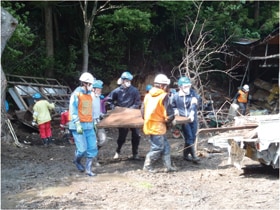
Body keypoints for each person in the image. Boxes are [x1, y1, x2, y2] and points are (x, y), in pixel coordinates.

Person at [141, 73, 177, 173]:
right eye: (166, 86)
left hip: (150, 125)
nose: (167, 88)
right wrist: (170, 122)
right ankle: (147, 166)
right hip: (158, 126)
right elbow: (169, 114)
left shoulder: (148, 96)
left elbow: (143, 111)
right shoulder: (164, 96)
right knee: (157, 148)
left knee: (165, 146)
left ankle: (168, 166)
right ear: (162, 85)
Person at [107, 71, 141, 160]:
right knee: (122, 136)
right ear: (122, 81)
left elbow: (137, 102)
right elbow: (109, 100)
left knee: (136, 135)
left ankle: (135, 153)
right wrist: (114, 107)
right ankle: (118, 151)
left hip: (133, 116)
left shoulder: (134, 90)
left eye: (129, 80)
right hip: (122, 117)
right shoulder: (116, 91)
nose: (127, 82)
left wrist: (130, 109)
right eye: (126, 80)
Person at [69, 72, 98, 177]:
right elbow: (73, 110)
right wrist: (77, 123)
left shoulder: (90, 95)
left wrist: (94, 122)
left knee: (92, 147)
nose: (92, 87)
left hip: (89, 124)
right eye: (91, 84)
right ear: (85, 84)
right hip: (78, 125)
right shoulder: (76, 94)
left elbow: (91, 109)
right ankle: (76, 161)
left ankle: (88, 169)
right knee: (82, 149)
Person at [171, 76, 200, 163]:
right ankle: (194, 156)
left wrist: (192, 113)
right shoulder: (176, 96)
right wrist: (176, 111)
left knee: (193, 137)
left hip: (192, 118)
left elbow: (194, 104)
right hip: (183, 120)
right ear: (180, 87)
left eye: (188, 86)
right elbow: (173, 105)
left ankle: (185, 155)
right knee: (189, 137)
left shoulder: (192, 94)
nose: (187, 88)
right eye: (185, 86)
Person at [91, 79, 107, 166]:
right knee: (94, 142)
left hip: (98, 121)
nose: (99, 91)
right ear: (93, 89)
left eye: (100, 89)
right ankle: (94, 159)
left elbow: (97, 110)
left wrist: (102, 114)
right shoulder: (90, 97)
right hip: (91, 122)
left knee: (103, 140)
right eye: (98, 89)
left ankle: (94, 153)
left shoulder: (97, 98)